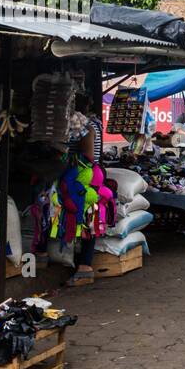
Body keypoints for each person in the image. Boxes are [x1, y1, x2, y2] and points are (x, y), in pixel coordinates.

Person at [63, 96, 103, 288]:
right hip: (85, 177)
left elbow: (87, 156)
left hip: (84, 178)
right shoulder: (90, 124)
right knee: (85, 220)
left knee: (87, 220)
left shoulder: (87, 127)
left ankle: (85, 268)